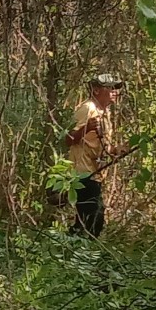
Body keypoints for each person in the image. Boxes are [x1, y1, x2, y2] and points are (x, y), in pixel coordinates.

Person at [64, 73, 124, 237]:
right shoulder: (88, 108)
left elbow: (100, 143)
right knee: (95, 216)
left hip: (95, 172)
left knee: (85, 218)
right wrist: (87, 128)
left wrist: (116, 150)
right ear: (97, 90)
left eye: (116, 88)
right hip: (82, 172)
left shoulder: (105, 112)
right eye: (110, 88)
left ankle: (73, 244)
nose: (115, 92)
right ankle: (83, 247)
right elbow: (68, 139)